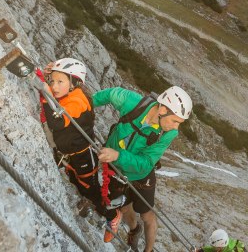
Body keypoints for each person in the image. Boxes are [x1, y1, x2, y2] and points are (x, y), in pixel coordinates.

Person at [87, 86, 192, 248]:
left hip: (141, 174)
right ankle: (134, 230)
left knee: (147, 214)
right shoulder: (134, 104)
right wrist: (84, 106)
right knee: (125, 207)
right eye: (175, 121)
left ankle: (148, 250)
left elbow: (147, 162)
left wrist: (117, 156)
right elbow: (109, 94)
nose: (176, 128)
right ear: (162, 109)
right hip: (117, 169)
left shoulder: (168, 133)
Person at [41, 58, 98, 210]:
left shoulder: (77, 101)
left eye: (60, 82)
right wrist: (47, 77)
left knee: (88, 186)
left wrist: (47, 96)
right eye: (52, 81)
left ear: (73, 83)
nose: (54, 86)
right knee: (74, 179)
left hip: (83, 154)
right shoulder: (68, 94)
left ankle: (109, 214)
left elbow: (56, 123)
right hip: (71, 151)